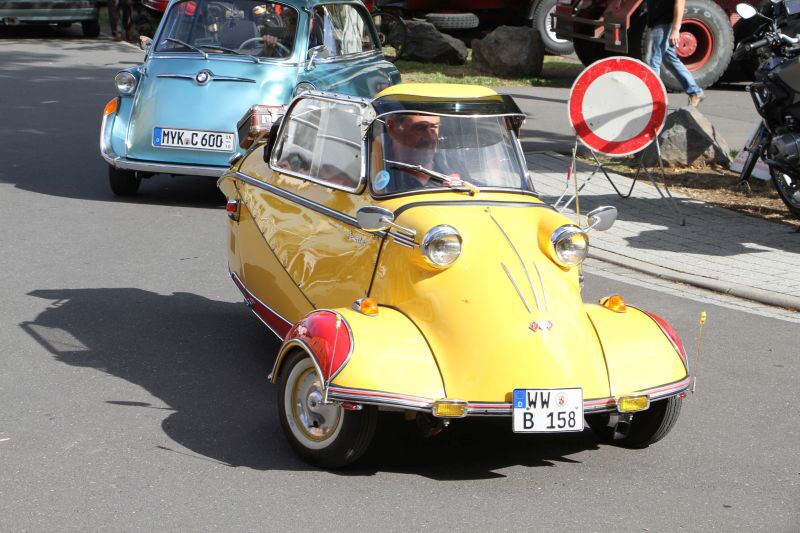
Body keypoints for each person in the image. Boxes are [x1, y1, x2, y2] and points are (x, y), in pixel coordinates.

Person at [645, 0, 705, 106]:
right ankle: (695, 92)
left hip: (664, 23)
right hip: (657, 21)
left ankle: (652, 98)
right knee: (670, 60)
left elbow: (680, 3)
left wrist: (676, 30)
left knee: (652, 60)